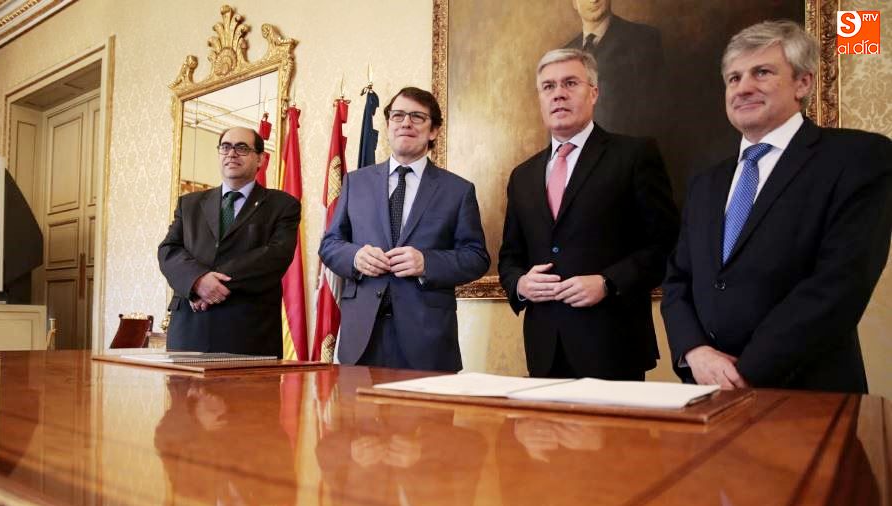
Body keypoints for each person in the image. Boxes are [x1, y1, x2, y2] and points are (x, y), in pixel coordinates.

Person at [661, 20, 892, 393]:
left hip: (807, 393)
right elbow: (678, 281)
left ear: (803, 83)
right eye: (733, 78)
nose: (743, 87)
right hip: (706, 392)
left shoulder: (858, 158)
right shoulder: (706, 182)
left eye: (762, 72)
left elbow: (839, 283)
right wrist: (695, 351)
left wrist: (745, 373)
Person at [498, 48, 678, 379]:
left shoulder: (634, 155)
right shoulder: (522, 175)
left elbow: (667, 245)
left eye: (570, 83)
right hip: (545, 348)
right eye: (548, 87)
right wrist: (521, 284)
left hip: (614, 344)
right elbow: (510, 258)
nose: (559, 94)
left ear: (593, 92)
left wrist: (608, 282)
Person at [319, 87, 489, 371]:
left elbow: (476, 257)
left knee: (426, 417)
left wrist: (427, 262)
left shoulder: (457, 190)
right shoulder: (355, 182)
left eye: (417, 117)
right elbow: (330, 244)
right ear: (388, 125)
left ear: (433, 131)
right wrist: (355, 257)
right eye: (397, 115)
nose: (405, 123)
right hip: (361, 337)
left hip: (428, 339)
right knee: (351, 417)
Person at [158, 126, 300, 356]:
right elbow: (168, 250)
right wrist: (197, 281)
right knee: (183, 392)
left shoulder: (282, 205)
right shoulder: (189, 204)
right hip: (190, 330)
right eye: (225, 147)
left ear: (260, 159)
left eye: (242, 147)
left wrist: (211, 285)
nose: (232, 153)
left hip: (248, 333)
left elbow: (276, 255)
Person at [565, 0, 664, 138]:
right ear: (574, 3)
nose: (594, 0)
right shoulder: (564, 55)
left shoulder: (643, 40)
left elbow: (654, 114)